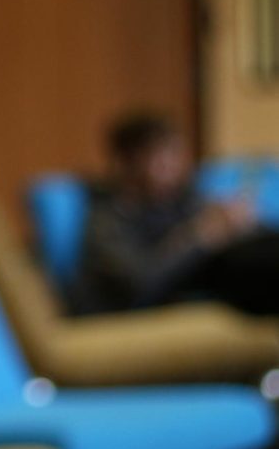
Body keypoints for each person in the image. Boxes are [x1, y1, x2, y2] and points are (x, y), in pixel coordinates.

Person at [71, 111, 279, 315]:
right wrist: (198, 236)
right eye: (161, 155)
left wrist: (237, 222)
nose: (173, 165)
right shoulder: (107, 218)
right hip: (147, 305)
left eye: (175, 153)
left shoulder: (180, 199)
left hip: (215, 283)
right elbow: (140, 283)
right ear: (126, 162)